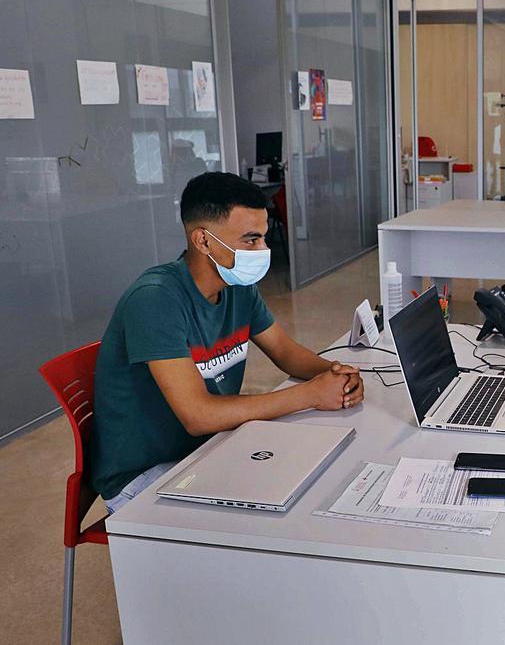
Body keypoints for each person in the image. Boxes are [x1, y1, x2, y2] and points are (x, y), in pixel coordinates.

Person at [90, 172, 364, 513]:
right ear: (203, 241)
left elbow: (285, 352)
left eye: (263, 237)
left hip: (209, 445)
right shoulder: (155, 300)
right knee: (282, 512)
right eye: (250, 240)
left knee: (318, 478)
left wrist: (338, 373)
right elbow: (199, 416)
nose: (263, 250)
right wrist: (309, 394)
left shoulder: (235, 286)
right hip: (145, 475)